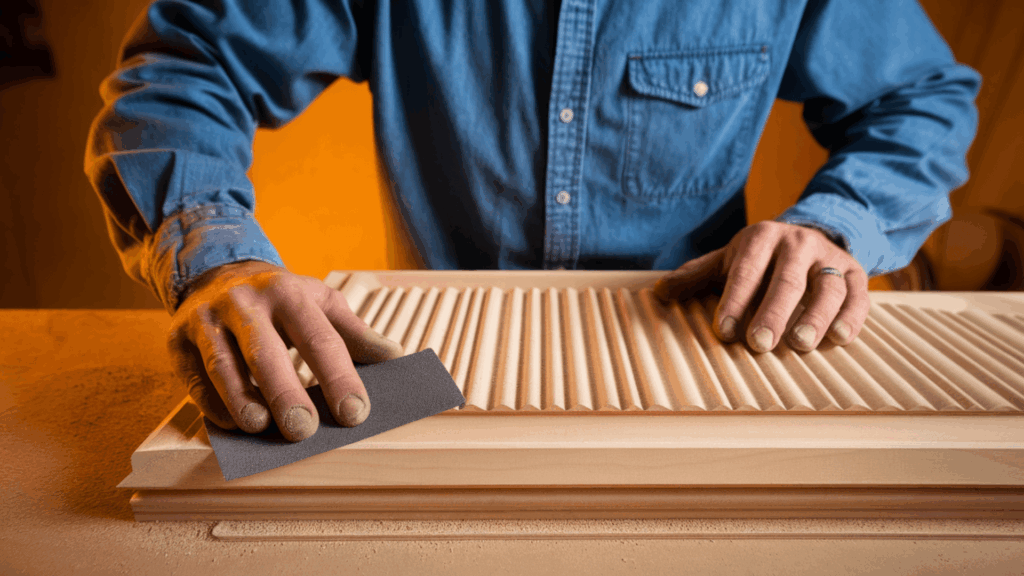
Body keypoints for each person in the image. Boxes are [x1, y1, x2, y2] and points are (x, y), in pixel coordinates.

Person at [85, 0, 980, 441]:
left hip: (706, 357)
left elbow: (922, 98)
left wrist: (836, 223)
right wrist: (215, 255)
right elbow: (185, 64)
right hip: (424, 372)